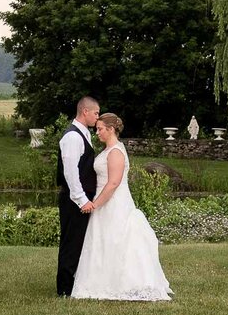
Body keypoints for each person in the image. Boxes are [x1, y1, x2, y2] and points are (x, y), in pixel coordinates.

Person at [71, 113, 172, 301]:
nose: (97, 132)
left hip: (114, 202)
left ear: (111, 129)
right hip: (104, 201)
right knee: (103, 240)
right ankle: (101, 281)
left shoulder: (115, 152)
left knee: (116, 239)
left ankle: (121, 282)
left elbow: (113, 183)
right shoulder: (108, 150)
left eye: (100, 129)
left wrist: (95, 205)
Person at [56, 96, 100, 297]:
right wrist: (82, 200)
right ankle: (64, 288)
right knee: (71, 242)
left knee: (79, 241)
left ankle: (73, 283)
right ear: (85, 112)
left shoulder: (84, 134)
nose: (97, 117)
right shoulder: (72, 137)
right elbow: (70, 173)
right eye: (96, 113)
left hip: (81, 199)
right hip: (74, 200)